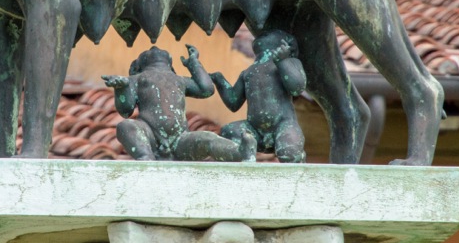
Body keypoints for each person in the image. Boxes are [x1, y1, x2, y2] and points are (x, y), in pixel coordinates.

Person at [104, 45, 253, 162]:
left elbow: (206, 89)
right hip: (150, 135)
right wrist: (122, 89)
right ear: (138, 66)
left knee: (208, 138)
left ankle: (239, 152)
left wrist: (194, 63)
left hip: (180, 139)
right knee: (125, 126)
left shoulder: (179, 80)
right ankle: (145, 156)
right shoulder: (136, 79)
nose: (154, 48)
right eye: (148, 50)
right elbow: (125, 111)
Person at [211, 31, 307, 163]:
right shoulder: (248, 72)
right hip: (254, 130)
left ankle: (298, 157)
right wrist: (220, 81)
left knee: (289, 152)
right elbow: (233, 102)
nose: (263, 35)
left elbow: (297, 88)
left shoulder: (290, 62)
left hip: (282, 125)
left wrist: (282, 62)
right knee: (228, 132)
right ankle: (247, 161)